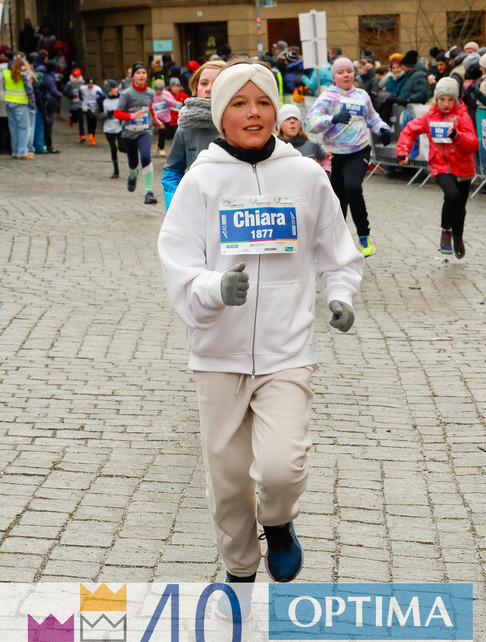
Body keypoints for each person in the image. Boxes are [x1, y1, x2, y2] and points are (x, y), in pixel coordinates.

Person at [158, 59, 363, 597]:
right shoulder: (201, 181)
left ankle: (277, 521)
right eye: (240, 104)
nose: (253, 114)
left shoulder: (305, 176)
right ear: (221, 113)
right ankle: (241, 571)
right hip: (217, 354)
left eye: (264, 103)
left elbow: (337, 250)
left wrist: (340, 295)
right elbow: (177, 258)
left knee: (282, 467)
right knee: (227, 483)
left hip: (286, 349)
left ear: (279, 110)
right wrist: (211, 289)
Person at [306, 56, 392, 257]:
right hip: (334, 154)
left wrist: (383, 129)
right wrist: (332, 118)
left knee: (353, 188)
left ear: (354, 73)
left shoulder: (362, 95)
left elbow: (372, 118)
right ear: (334, 76)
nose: (346, 75)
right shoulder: (328, 97)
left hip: (358, 150)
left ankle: (364, 236)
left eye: (349, 71)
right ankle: (338, 242)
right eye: (340, 72)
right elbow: (310, 123)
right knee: (337, 200)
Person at [395, 77, 477, 258]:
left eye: (450, 100)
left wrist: (456, 136)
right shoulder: (430, 116)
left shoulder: (462, 116)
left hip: (463, 167)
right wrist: (402, 151)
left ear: (456, 100)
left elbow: (473, 144)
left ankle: (458, 235)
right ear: (436, 99)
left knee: (460, 207)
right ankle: (446, 231)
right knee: (452, 195)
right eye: (442, 99)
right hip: (440, 164)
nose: (446, 104)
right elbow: (410, 130)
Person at [160, 59, 225, 208]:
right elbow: (172, 172)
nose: (209, 88)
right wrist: (175, 205)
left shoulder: (240, 123)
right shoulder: (186, 127)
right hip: (197, 208)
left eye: (217, 82)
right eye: (204, 83)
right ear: (195, 88)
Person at [113, 61, 163, 205]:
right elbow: (116, 113)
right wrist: (130, 116)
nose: (141, 75)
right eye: (138, 73)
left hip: (145, 130)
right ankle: (132, 175)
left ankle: (149, 193)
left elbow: (149, 107)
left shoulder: (150, 92)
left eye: (144, 73)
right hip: (129, 133)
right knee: (133, 162)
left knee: (146, 157)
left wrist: (156, 120)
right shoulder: (126, 93)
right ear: (133, 76)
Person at [276, 103, 330, 175]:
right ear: (280, 125)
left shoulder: (312, 144)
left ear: (300, 124)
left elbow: (325, 159)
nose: (292, 121)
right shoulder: (273, 147)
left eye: (296, 118)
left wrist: (326, 174)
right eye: (287, 119)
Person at [3, 53, 31, 159]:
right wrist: (32, 103)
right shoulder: (24, 73)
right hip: (21, 103)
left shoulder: (6, 73)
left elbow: (4, 87)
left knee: (13, 128)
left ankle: (15, 151)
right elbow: (29, 90)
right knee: (23, 128)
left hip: (9, 103)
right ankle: (22, 152)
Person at [150, 77, 179, 156]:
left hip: (166, 117)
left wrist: (167, 100)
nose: (158, 92)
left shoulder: (166, 94)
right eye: (156, 90)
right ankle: (161, 149)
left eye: (160, 90)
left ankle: (159, 144)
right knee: (162, 129)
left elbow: (175, 104)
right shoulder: (151, 94)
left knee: (168, 135)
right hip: (156, 116)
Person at [78, 76, 103, 146]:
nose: (90, 85)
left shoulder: (97, 89)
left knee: (94, 121)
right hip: (86, 107)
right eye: (88, 84)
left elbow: (101, 97)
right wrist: (81, 99)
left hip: (95, 107)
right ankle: (90, 134)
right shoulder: (82, 88)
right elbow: (79, 94)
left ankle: (92, 135)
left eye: (91, 84)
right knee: (90, 118)